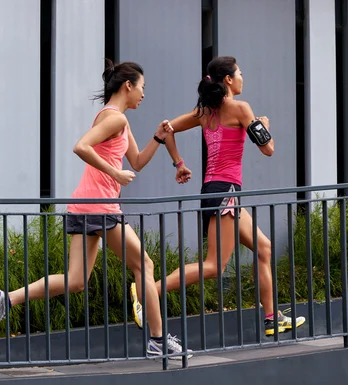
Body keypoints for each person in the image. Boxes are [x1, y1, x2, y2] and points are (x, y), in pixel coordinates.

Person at [0, 60, 191, 359]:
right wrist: (115, 175)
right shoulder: (115, 119)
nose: (143, 94)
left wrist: (158, 138)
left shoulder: (115, 119)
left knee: (76, 280)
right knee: (145, 266)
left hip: (84, 204)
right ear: (128, 85)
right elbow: (81, 146)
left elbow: (137, 161)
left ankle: (6, 300)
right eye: (142, 88)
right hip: (99, 205)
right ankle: (157, 340)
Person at [129, 56, 305, 336]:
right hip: (226, 194)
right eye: (240, 73)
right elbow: (268, 149)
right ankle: (146, 291)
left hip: (217, 192)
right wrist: (264, 125)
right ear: (229, 80)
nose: (243, 77)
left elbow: (166, 128)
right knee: (212, 266)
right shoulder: (241, 109)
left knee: (263, 248)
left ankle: (272, 319)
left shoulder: (204, 112)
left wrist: (179, 163)